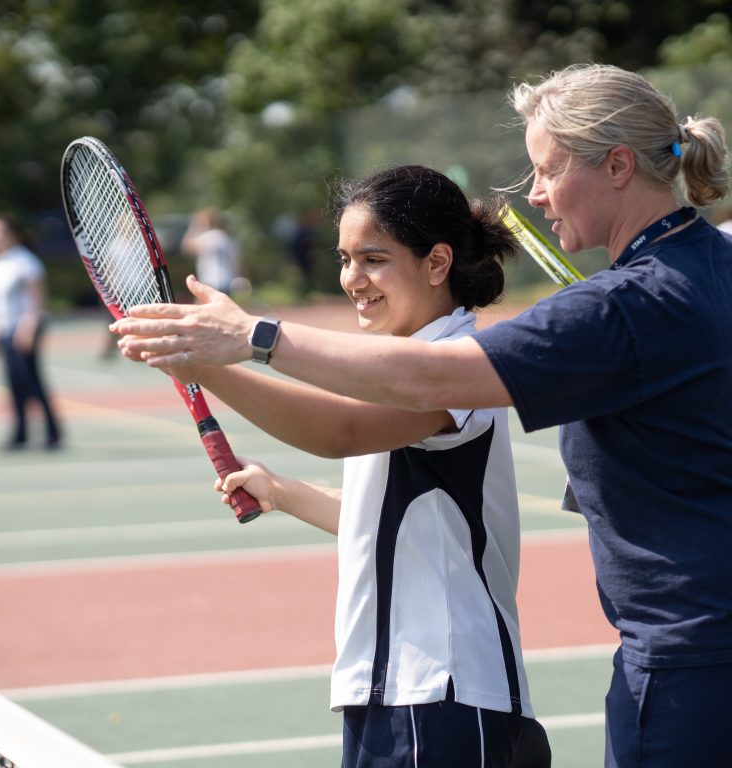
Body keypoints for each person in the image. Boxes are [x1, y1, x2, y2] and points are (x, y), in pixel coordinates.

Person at [111, 64, 732, 767]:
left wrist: (247, 342)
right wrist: (280, 484)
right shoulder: (705, 268)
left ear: (618, 165)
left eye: (547, 170)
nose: (534, 193)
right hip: (671, 651)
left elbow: (403, 393)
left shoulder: (628, 303)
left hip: (668, 662)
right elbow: (397, 505)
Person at [117, 165, 550, 767]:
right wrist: (284, 492)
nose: (353, 279)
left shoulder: (456, 363)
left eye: (374, 258)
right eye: (344, 258)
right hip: (393, 687)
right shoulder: (401, 363)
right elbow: (395, 520)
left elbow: (337, 429)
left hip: (445, 688)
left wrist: (213, 362)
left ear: (437, 262)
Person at [0, 213, 63, 449]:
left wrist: (27, 328)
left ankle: (52, 432)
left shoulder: (25, 261)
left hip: (24, 328)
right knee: (14, 384)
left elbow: (37, 300)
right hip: (4, 329)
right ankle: (20, 432)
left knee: (32, 382)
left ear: (13, 233)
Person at [180, 207, 242, 294]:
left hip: (212, 282)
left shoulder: (210, 237)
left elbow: (186, 247)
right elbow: (235, 261)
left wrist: (194, 227)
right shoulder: (224, 237)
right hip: (225, 281)